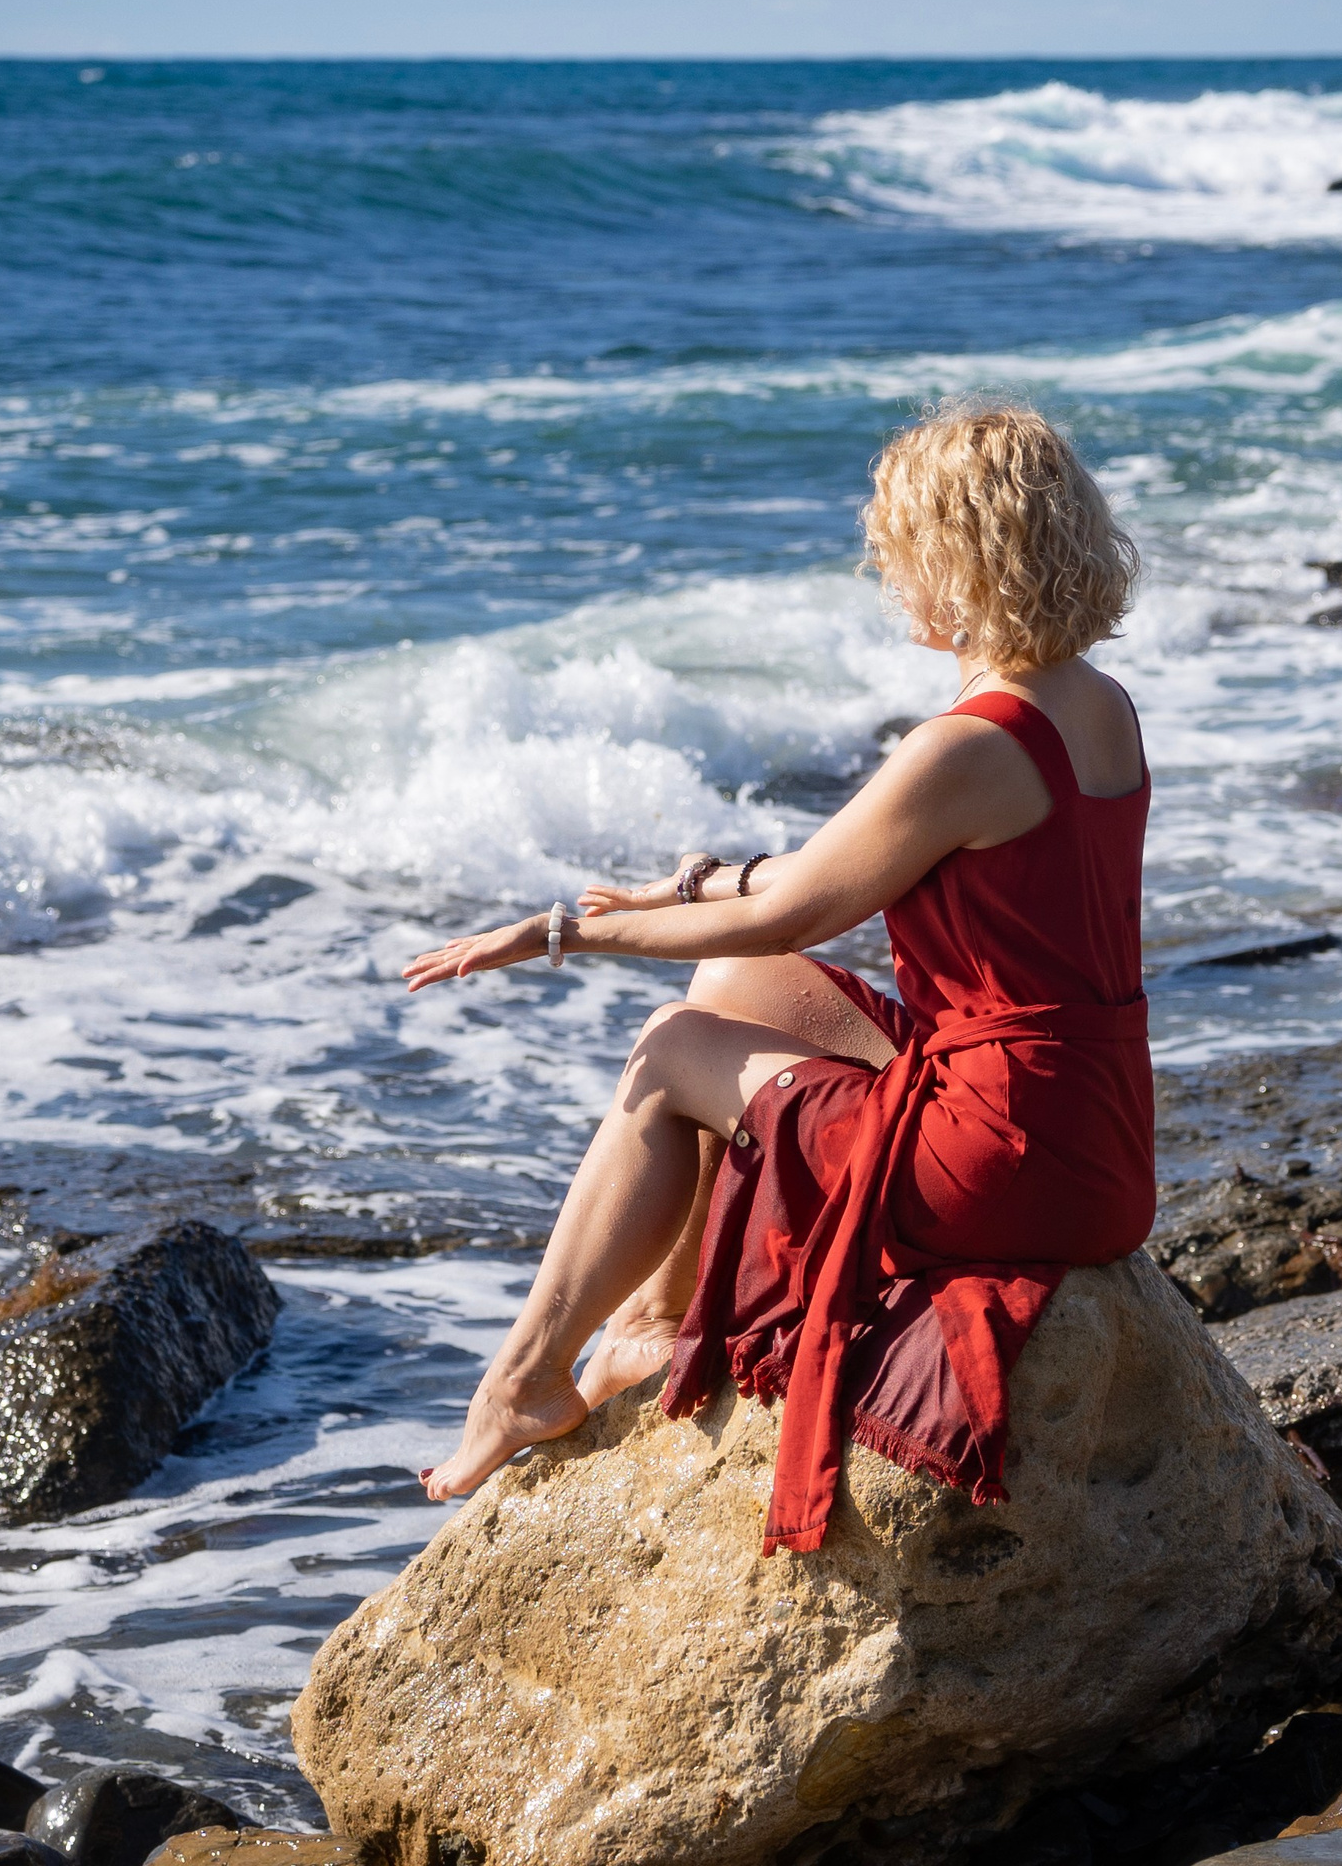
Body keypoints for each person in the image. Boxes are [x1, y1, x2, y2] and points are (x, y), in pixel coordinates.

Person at [401, 400, 1155, 1552]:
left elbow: (799, 907)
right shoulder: (1098, 707)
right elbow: (792, 886)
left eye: (900, 555)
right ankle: (654, 1316)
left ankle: (524, 1377)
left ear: (954, 560)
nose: (890, 579)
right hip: (1087, 1129)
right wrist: (691, 886)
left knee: (668, 1052)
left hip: (1000, 1160)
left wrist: (554, 935)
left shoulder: (966, 742)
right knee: (730, 983)